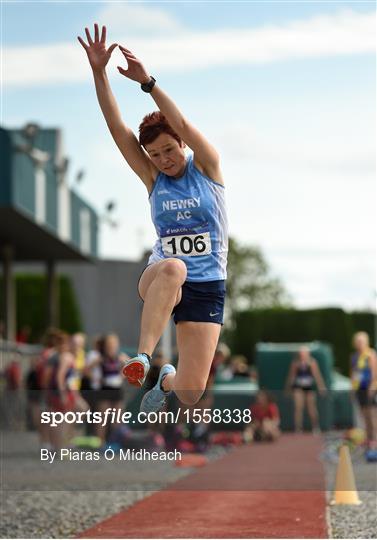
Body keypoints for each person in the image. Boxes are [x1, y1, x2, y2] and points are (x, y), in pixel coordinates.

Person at [78, 24, 228, 414]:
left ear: (181, 144)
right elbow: (117, 129)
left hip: (207, 285)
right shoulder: (153, 178)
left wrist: (147, 81)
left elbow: (184, 125)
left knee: (192, 392)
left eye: (168, 150)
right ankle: (143, 359)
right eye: (156, 155)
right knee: (175, 267)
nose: (165, 160)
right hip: (161, 277)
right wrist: (99, 73)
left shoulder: (207, 167)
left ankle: (166, 377)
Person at [285, 346, 326, 433]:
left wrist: (321, 387)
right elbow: (291, 376)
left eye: (304, 353)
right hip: (298, 387)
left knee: (311, 407)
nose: (302, 355)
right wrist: (288, 387)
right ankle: (298, 428)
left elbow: (317, 375)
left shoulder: (312, 362)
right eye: (301, 353)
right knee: (298, 407)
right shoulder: (296, 363)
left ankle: (315, 426)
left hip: (309, 387)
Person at [350, 331, 377, 449]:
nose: (359, 344)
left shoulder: (370, 354)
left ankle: (374, 439)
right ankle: (369, 438)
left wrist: (372, 387)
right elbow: (353, 374)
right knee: (363, 415)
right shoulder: (354, 357)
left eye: (362, 341)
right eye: (358, 342)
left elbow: (374, 373)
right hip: (359, 389)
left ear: (366, 342)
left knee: (371, 415)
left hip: (370, 388)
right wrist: (352, 389)